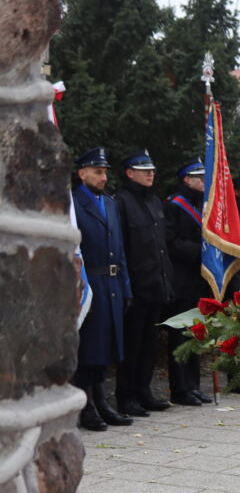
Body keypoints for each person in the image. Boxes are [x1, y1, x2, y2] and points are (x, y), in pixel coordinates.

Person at [71, 147, 134, 430]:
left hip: (111, 283)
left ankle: (102, 400)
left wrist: (125, 286)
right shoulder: (72, 205)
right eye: (98, 172)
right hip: (89, 282)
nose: (103, 177)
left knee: (106, 346)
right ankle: (88, 406)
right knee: (89, 349)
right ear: (82, 173)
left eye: (105, 172)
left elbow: (119, 250)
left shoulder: (110, 204)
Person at [115, 149, 174, 417]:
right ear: (129, 173)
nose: (151, 173)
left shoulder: (154, 202)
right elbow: (122, 247)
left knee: (149, 343)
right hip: (136, 286)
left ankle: (143, 391)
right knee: (132, 344)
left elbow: (160, 247)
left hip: (155, 284)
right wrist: (127, 285)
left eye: (151, 169)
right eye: (143, 170)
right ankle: (126, 396)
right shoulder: (122, 202)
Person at [165, 159, 213, 407]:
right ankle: (180, 388)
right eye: (199, 178)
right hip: (181, 280)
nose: (204, 182)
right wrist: (200, 251)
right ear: (187, 180)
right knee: (180, 337)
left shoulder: (202, 205)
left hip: (199, 281)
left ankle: (193, 386)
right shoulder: (175, 206)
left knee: (195, 335)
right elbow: (171, 242)